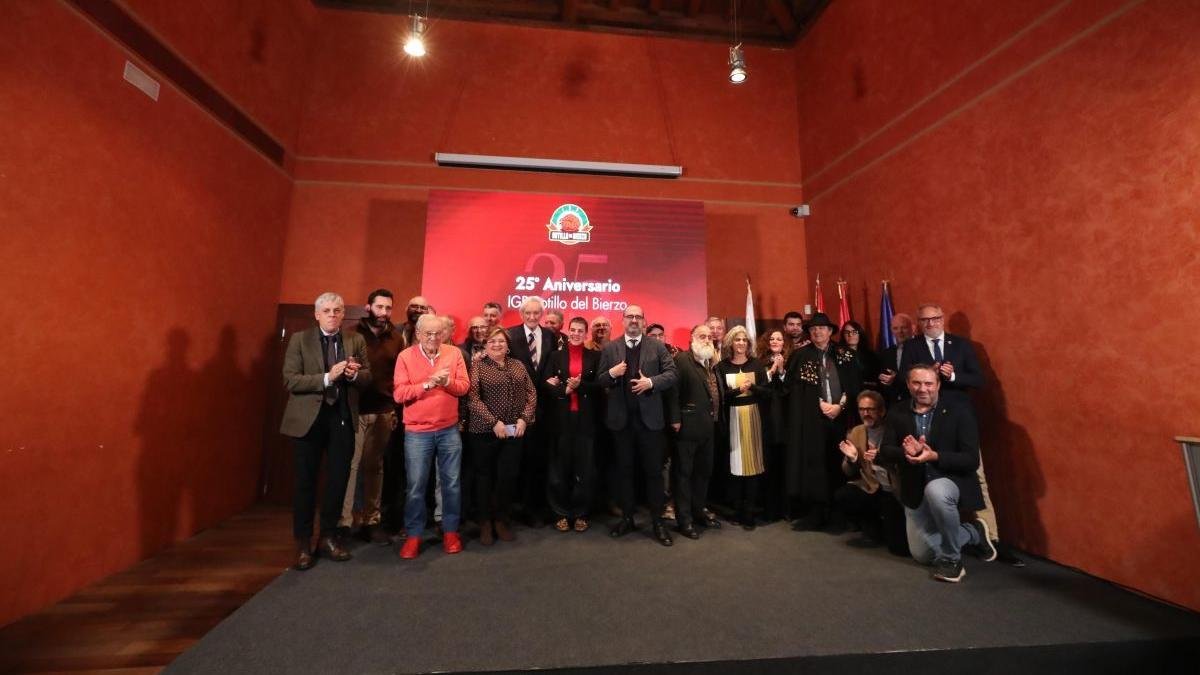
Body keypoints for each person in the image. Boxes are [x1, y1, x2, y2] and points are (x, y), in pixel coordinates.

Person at [280, 292, 372, 570]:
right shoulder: (300, 339)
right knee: (305, 483)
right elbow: (291, 380)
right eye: (328, 310)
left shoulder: (355, 339)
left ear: (344, 315)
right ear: (317, 314)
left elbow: (367, 376)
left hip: (342, 418)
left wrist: (354, 374)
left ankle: (330, 536)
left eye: (338, 310)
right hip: (308, 420)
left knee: (337, 482)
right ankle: (304, 543)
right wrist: (327, 377)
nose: (333, 315)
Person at [878, 364, 995, 582]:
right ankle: (972, 532)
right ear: (908, 385)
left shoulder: (960, 411)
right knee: (922, 554)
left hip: (950, 481)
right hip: (914, 488)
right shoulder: (898, 412)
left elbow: (971, 459)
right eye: (917, 383)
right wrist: (906, 453)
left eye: (929, 383)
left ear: (938, 385)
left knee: (936, 490)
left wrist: (934, 456)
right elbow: (885, 451)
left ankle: (952, 560)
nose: (923, 389)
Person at [596, 305, 678, 546]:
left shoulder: (657, 346)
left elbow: (672, 374)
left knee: (653, 473)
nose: (633, 320)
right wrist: (611, 372)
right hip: (621, 422)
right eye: (629, 316)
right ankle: (628, 518)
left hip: (650, 422)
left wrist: (651, 382)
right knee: (625, 472)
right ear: (622, 321)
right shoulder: (611, 347)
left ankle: (657, 522)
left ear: (644, 321)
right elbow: (600, 380)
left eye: (638, 317)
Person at [393, 314, 470, 559]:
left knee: (451, 484)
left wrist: (446, 382)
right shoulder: (405, 356)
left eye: (438, 333)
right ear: (418, 334)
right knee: (416, 486)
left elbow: (464, 387)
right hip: (417, 431)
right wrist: (427, 384)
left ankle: (450, 532)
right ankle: (414, 535)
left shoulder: (453, 354)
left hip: (448, 429)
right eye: (428, 333)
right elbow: (400, 394)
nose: (434, 338)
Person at [785, 312, 861, 531]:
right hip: (812, 420)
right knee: (814, 464)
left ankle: (838, 514)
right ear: (809, 333)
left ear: (830, 332)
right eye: (813, 329)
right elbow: (794, 389)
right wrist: (818, 403)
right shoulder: (800, 355)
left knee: (838, 462)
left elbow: (854, 385)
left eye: (822, 328)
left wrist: (840, 406)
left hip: (841, 418)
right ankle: (816, 513)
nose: (818, 332)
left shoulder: (844, 354)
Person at [341, 288, 402, 546]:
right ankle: (343, 524)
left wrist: (394, 409)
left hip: (384, 410)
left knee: (374, 467)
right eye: (380, 307)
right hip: (355, 409)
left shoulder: (396, 338)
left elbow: (398, 375)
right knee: (350, 467)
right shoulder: (352, 334)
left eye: (388, 308)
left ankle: (371, 521)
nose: (384, 313)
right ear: (368, 308)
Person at [466, 327, 536, 545]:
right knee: (484, 477)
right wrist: (493, 422)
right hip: (485, 432)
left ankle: (501, 520)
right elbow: (472, 398)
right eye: (492, 341)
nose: (496, 344)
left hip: (515, 431)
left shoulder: (518, 365)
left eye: (501, 341)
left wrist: (525, 418)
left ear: (508, 345)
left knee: (507, 477)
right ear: (486, 345)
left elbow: (531, 393)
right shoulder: (477, 366)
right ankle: (485, 522)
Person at [833, 391, 908, 556]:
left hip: (893, 490)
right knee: (844, 495)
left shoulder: (893, 430)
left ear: (881, 411)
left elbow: (903, 465)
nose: (865, 413)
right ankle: (872, 526)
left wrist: (881, 458)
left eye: (870, 409)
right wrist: (852, 459)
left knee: (899, 549)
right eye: (861, 409)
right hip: (871, 487)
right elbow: (847, 472)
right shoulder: (856, 432)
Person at [664, 324, 721, 539]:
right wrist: (675, 419)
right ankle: (684, 520)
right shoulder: (682, 360)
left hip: (708, 428)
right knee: (683, 476)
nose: (707, 339)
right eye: (702, 336)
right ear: (692, 338)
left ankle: (699, 512)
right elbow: (673, 392)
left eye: (709, 337)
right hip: (686, 428)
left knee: (703, 473)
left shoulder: (710, 362)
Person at [506, 296, 559, 527]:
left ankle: (535, 506)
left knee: (539, 459)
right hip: (516, 408)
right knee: (517, 459)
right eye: (528, 313)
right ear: (521, 314)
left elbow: (550, 367)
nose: (532, 317)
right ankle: (514, 509)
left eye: (537, 313)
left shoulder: (549, 335)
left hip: (545, 407)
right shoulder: (510, 335)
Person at [545, 317, 601, 532]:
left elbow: (599, 385)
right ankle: (560, 512)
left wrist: (581, 385)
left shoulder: (596, 356)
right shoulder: (555, 356)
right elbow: (545, 384)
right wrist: (564, 390)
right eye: (573, 330)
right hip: (561, 419)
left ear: (586, 333)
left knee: (585, 468)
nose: (576, 333)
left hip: (586, 419)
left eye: (580, 330)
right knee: (559, 468)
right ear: (568, 331)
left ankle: (581, 513)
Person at [715, 326, 769, 530]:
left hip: (754, 417)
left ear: (748, 343)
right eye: (737, 340)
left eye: (744, 340)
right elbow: (721, 396)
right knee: (735, 466)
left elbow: (766, 392)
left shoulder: (757, 364)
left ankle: (750, 511)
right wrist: (739, 390)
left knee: (754, 465)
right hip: (732, 419)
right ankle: (737, 509)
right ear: (730, 343)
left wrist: (752, 387)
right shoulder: (722, 366)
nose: (740, 343)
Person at [898, 303, 982, 406]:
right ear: (919, 322)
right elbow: (903, 377)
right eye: (925, 320)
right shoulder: (911, 346)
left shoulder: (961, 344)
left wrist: (952, 376)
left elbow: (977, 379)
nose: (930, 323)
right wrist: (928, 374)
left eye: (935, 318)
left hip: (957, 407)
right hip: (925, 406)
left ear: (942, 319)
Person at [757, 329, 791, 521]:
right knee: (768, 464)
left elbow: (789, 389)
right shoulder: (760, 362)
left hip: (785, 421)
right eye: (772, 338)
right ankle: (769, 509)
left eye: (779, 338)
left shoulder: (790, 361)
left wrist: (782, 371)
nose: (775, 341)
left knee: (785, 465)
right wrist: (771, 371)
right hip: (766, 418)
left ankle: (785, 508)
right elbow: (760, 387)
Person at [838, 320, 881, 410]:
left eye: (854, 332)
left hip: (869, 396)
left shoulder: (870, 355)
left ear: (860, 334)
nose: (850, 335)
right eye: (847, 332)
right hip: (847, 399)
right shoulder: (838, 355)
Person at [877, 313, 915, 404]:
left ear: (913, 328)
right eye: (895, 328)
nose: (900, 331)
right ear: (891, 330)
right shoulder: (886, 353)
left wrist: (897, 378)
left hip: (916, 400)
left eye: (904, 327)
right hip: (895, 404)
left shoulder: (922, 348)